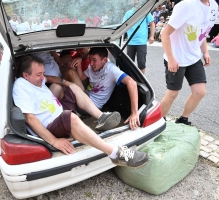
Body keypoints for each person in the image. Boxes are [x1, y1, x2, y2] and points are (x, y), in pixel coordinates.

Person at [12, 55, 148, 167]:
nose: (43, 77)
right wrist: (54, 141)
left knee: (73, 88)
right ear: (25, 75)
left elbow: (51, 79)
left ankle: (100, 117)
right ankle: (115, 154)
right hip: (51, 125)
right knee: (71, 117)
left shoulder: (35, 80)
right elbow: (30, 118)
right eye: (39, 74)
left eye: (42, 73)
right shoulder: (21, 86)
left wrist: (66, 82)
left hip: (58, 113)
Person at [160, 0, 218, 125]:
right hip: (176, 58)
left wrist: (205, 52)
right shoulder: (186, 6)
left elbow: (202, 32)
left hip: (194, 57)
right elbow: (165, 34)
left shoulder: (213, 6)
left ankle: (183, 119)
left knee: (200, 91)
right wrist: (171, 59)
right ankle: (158, 121)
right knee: (172, 94)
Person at [71, 47, 140, 129]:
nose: (91, 63)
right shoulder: (91, 67)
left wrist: (134, 113)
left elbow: (132, 83)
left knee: (69, 73)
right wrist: (79, 64)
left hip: (93, 106)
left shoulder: (111, 69)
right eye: (90, 60)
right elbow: (81, 77)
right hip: (87, 95)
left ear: (104, 60)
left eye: (94, 60)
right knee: (62, 86)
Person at [123, 7, 155, 74]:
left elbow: (152, 24)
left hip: (141, 42)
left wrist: (152, 36)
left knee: (141, 64)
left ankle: (142, 82)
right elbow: (123, 26)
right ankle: (130, 80)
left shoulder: (146, 11)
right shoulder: (128, 13)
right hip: (130, 42)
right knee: (129, 64)